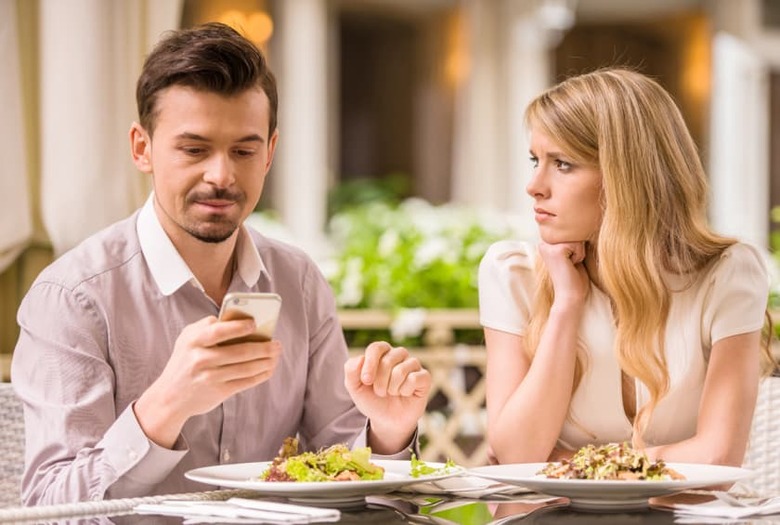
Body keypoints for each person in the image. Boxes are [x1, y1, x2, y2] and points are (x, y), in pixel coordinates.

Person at [11, 22, 431, 505]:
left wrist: (388, 434)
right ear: (142, 148)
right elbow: (48, 509)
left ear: (270, 153)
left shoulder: (299, 282)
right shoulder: (71, 298)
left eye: (244, 150)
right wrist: (166, 405)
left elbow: (339, 467)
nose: (221, 175)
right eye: (194, 149)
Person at [479, 68, 775, 467]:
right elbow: (516, 455)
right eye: (536, 160)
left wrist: (570, 463)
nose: (535, 185)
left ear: (627, 176)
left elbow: (718, 458)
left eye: (563, 164)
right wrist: (567, 303)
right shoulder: (513, 273)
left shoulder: (727, 275)